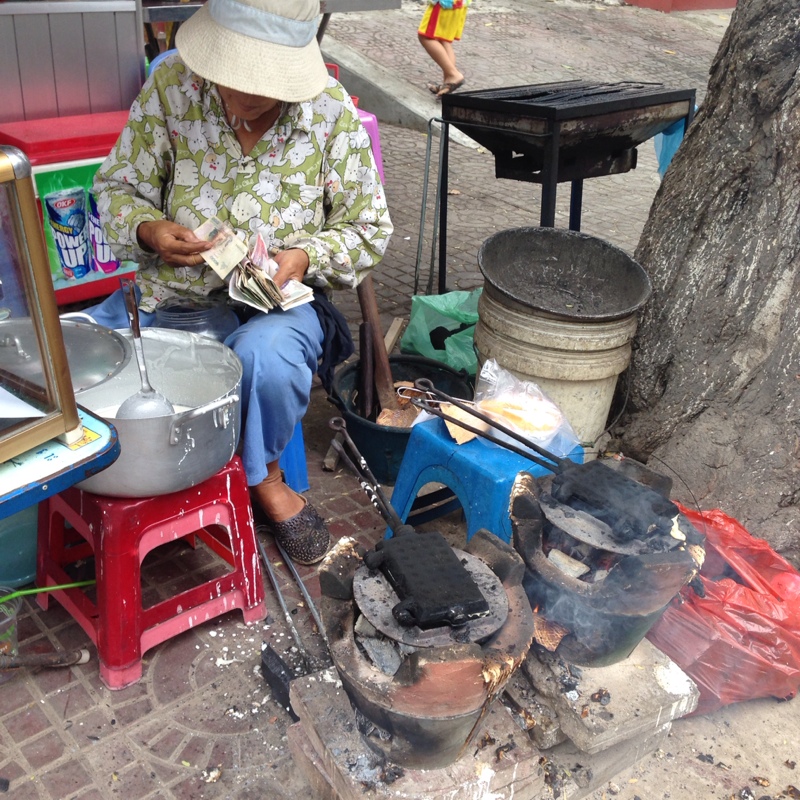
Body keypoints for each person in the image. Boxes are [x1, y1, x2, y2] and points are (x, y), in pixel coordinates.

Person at [89, 0, 393, 565]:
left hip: (276, 308)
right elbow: (115, 188)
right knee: (90, 364)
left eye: (262, 83)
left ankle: (264, 476)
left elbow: (369, 229)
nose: (242, 95)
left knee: (268, 358)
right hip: (172, 297)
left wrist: (306, 255)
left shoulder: (329, 111)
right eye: (232, 75)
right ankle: (163, 478)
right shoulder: (173, 88)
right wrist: (150, 231)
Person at [418, 0, 472, 97]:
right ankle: (448, 83)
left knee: (426, 37)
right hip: (458, 4)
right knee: (443, 40)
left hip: (444, 4)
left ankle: (453, 74)